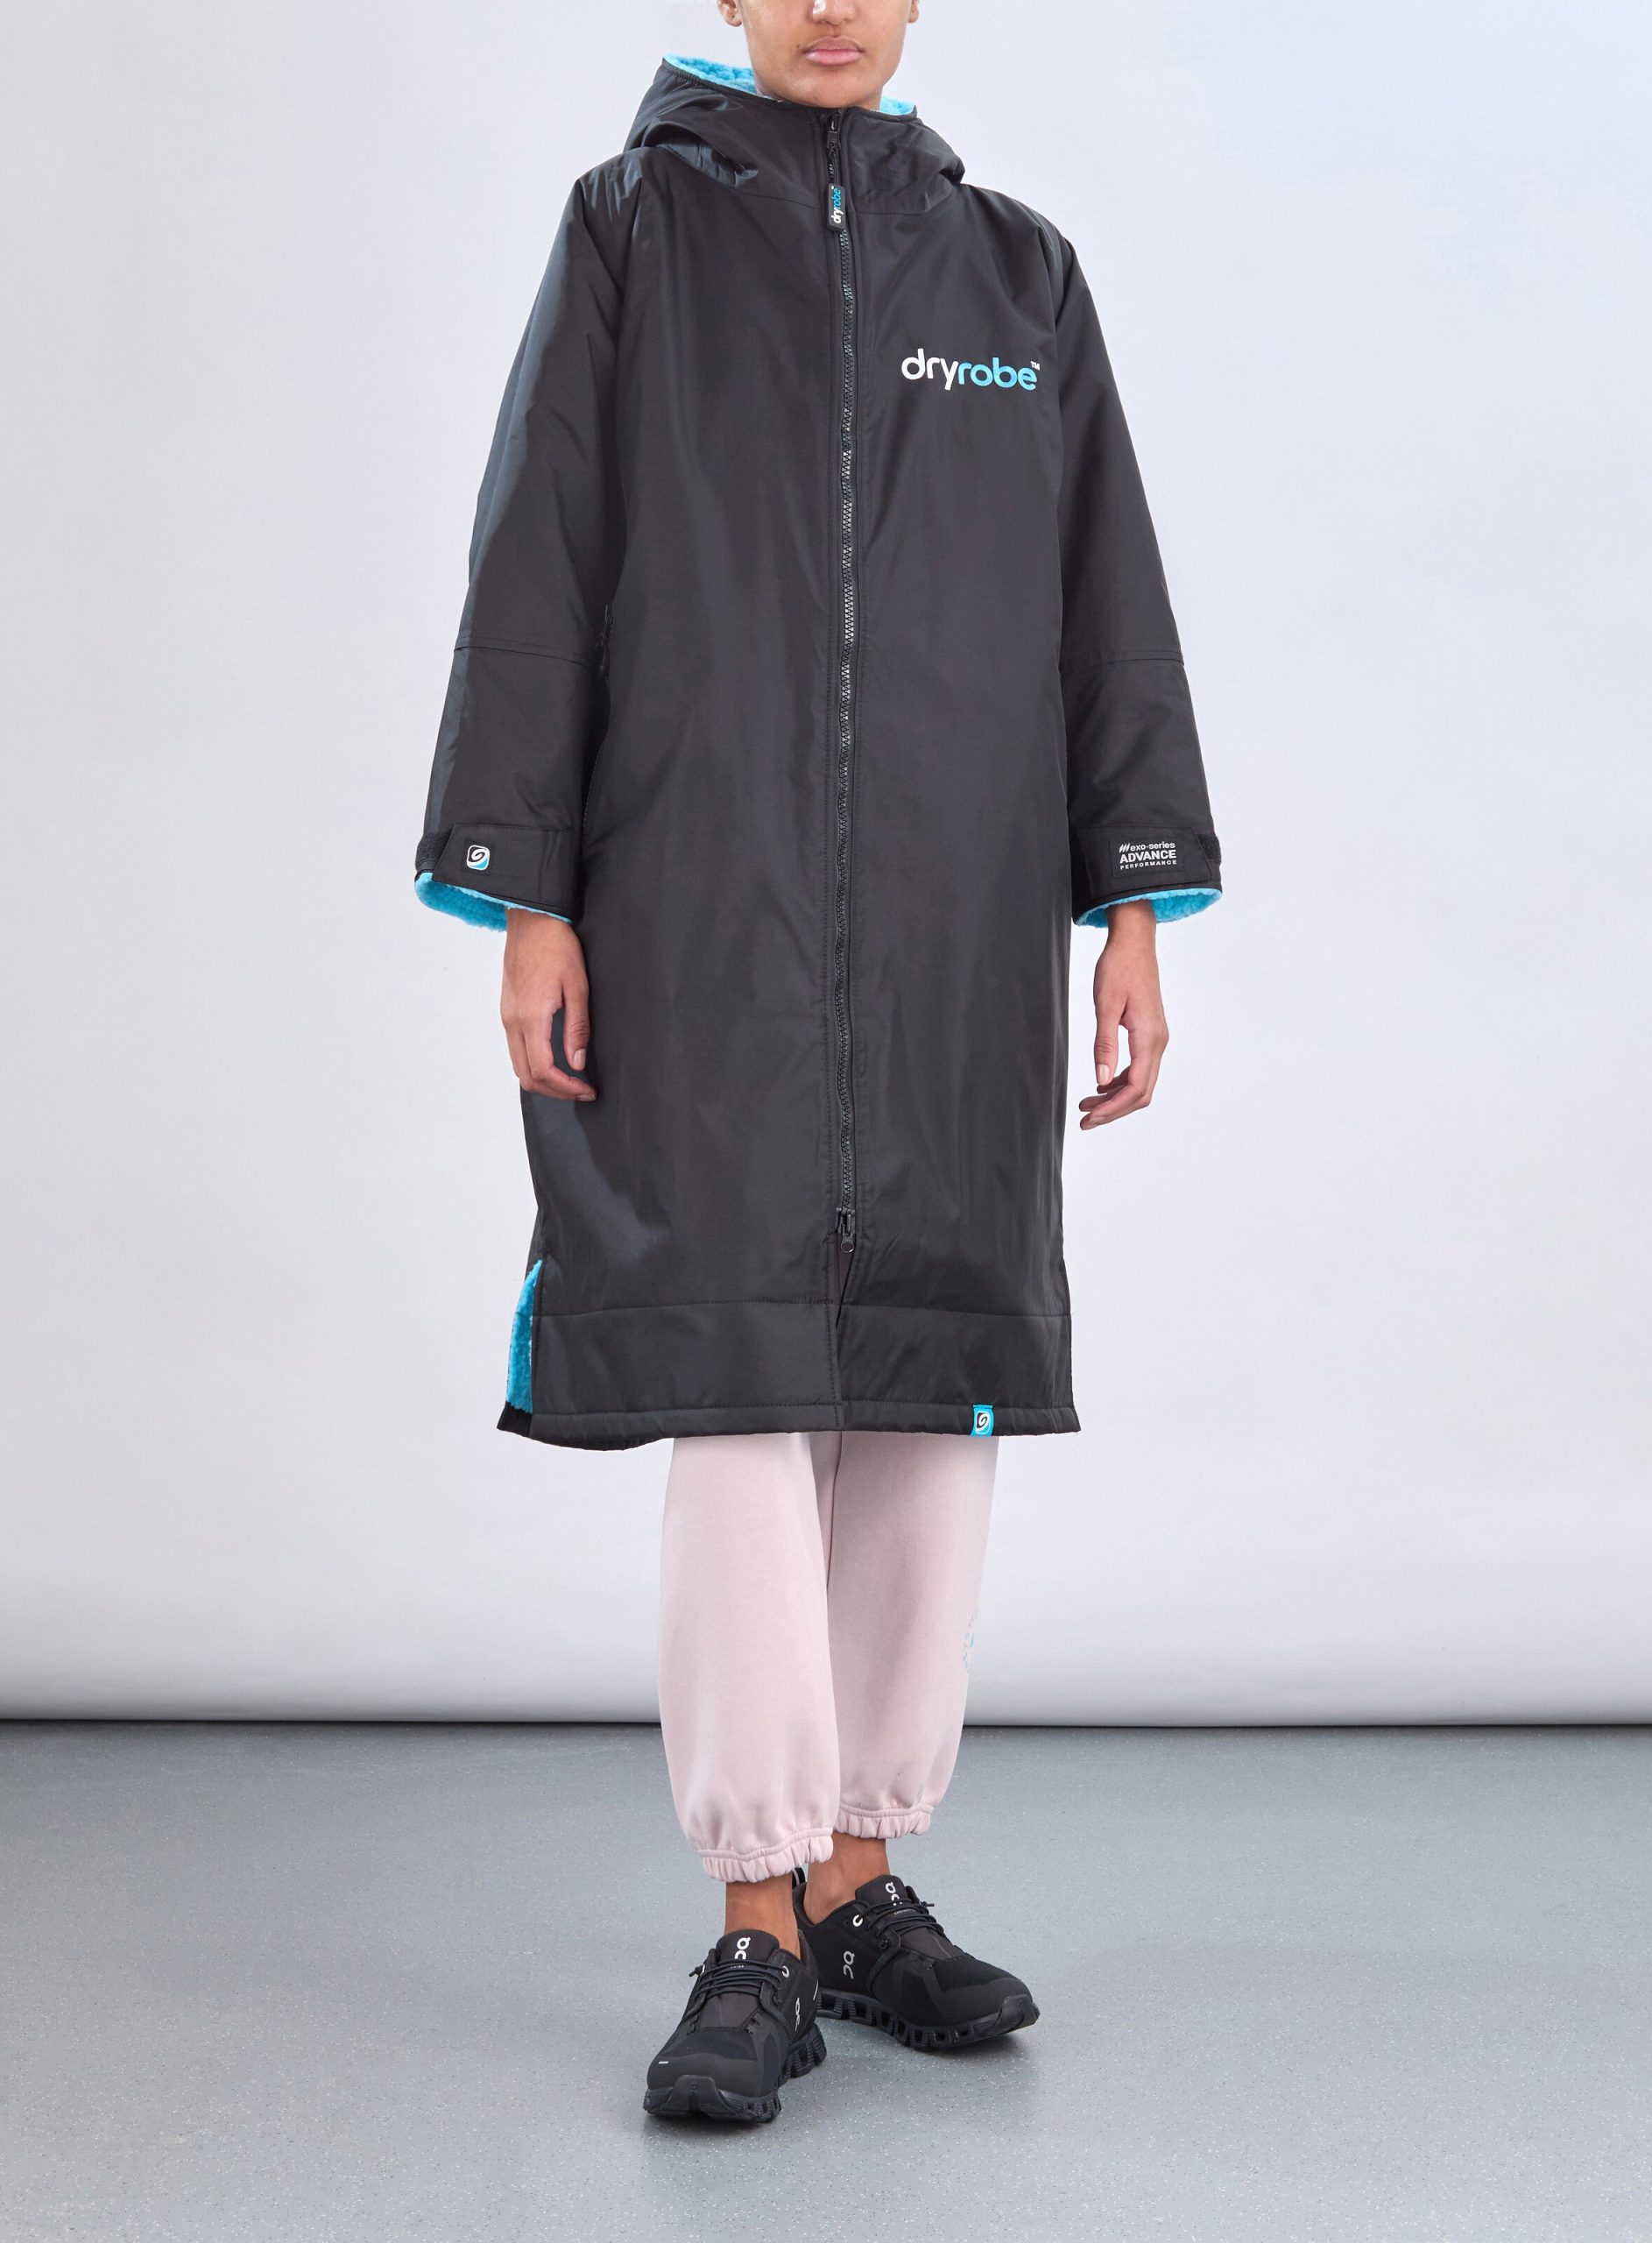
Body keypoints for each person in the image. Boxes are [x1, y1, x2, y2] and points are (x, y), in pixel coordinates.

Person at [414, 0, 1220, 2125]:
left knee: (934, 1390)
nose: (832, 5)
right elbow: (540, 558)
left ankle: (862, 1876)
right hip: (701, 908)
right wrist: (531, 892)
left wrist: (1135, 900)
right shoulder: (630, 236)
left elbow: (1107, 605)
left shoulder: (1018, 275)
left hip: (962, 924)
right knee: (744, 1380)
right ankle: (756, 1916)